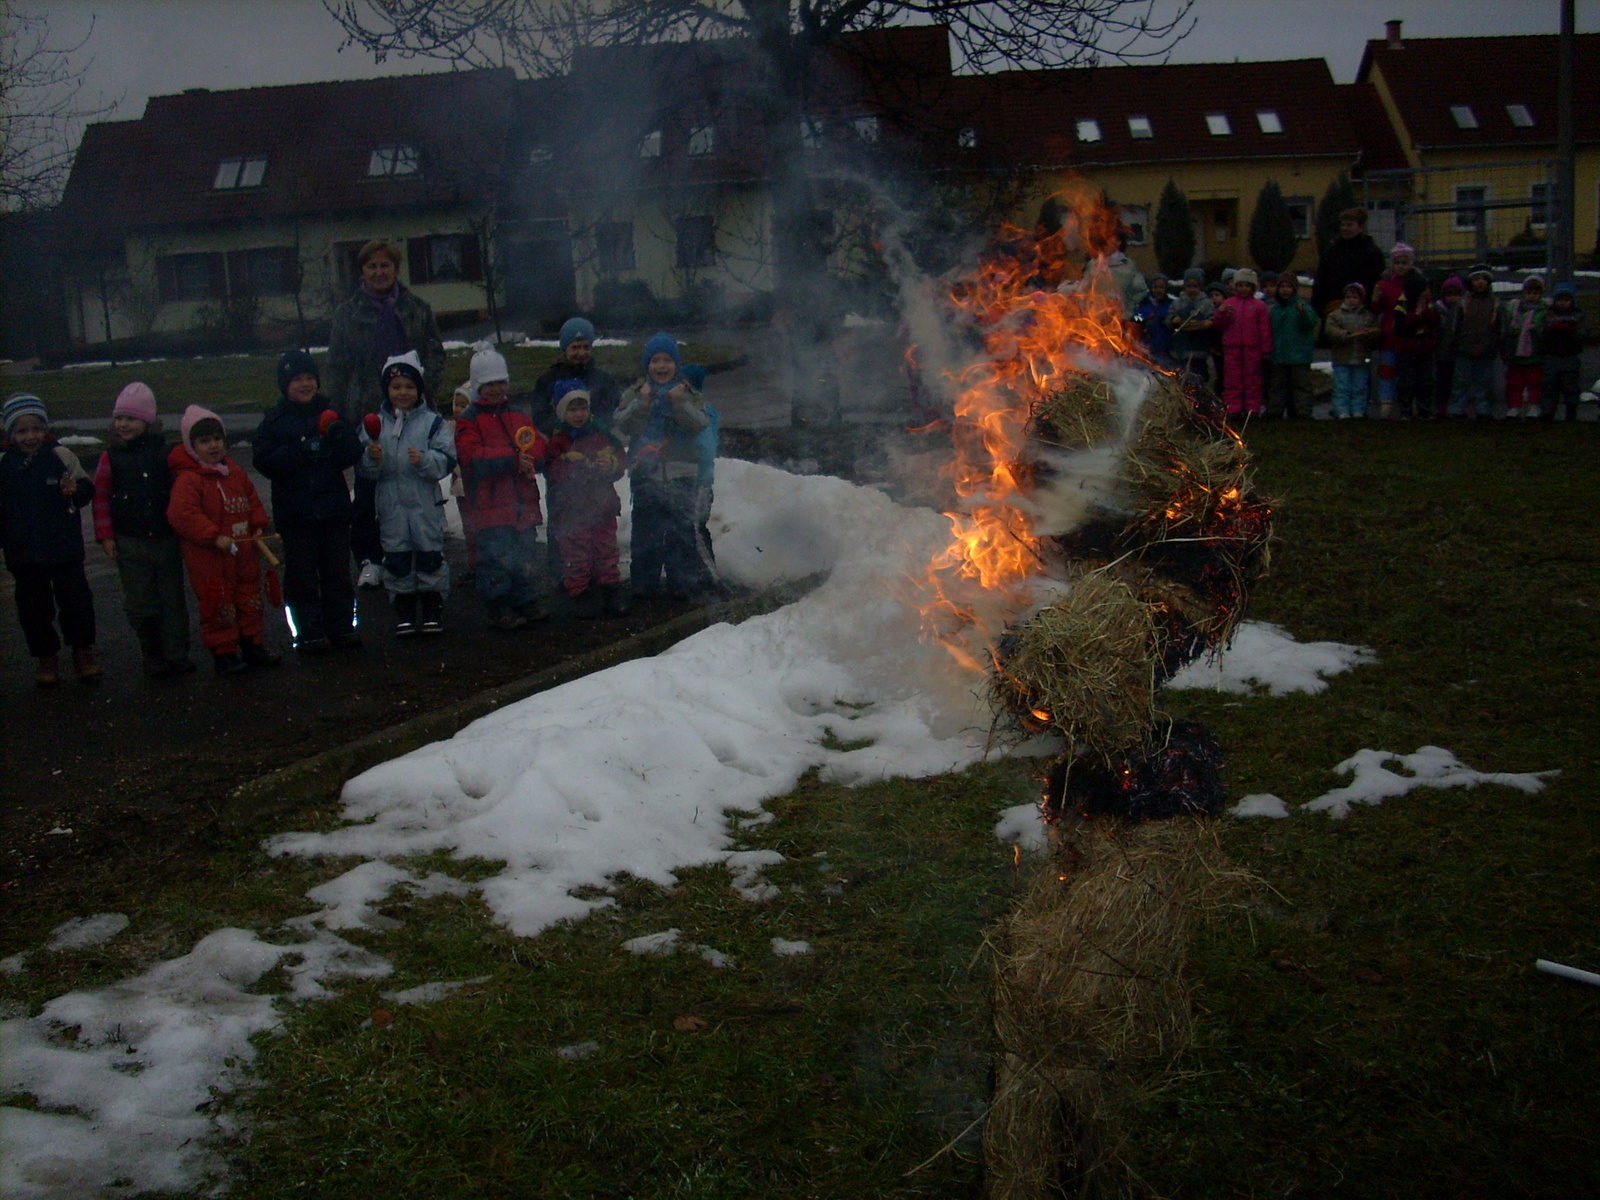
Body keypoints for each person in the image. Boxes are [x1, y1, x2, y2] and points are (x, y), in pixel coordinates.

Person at [322, 239, 445, 590]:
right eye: (372, 266)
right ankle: (369, 558)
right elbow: (337, 365)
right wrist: (340, 413)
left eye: (385, 266)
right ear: (363, 272)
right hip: (366, 412)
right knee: (368, 489)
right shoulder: (348, 314)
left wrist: (422, 388)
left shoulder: (417, 309)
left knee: (411, 483)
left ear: (395, 269)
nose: (379, 272)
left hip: (411, 411)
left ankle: (418, 551)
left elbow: (435, 353)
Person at [252, 350, 363, 655]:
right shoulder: (274, 422)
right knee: (301, 576)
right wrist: (298, 452)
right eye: (297, 379)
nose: (305, 384)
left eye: (310, 378)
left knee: (337, 573)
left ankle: (342, 627)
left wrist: (334, 441)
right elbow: (263, 460)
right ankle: (307, 632)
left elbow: (352, 453)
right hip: (296, 514)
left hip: (333, 511)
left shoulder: (331, 414)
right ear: (285, 385)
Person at [166, 405, 279, 675]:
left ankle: (252, 643)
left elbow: (251, 499)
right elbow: (182, 514)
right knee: (218, 602)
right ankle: (223, 652)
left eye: (217, 439)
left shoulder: (234, 472)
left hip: (243, 550)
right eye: (205, 441)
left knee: (249, 596)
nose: (213, 446)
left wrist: (258, 523)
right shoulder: (189, 479)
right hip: (211, 557)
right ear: (191, 445)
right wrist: (212, 536)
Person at [91, 382, 192, 676]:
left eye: (131, 418)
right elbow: (100, 498)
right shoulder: (110, 458)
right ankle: (152, 654)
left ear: (147, 421)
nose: (123, 424)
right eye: (119, 418)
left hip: (165, 539)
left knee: (172, 600)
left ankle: (177, 654)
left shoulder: (166, 455)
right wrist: (105, 536)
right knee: (140, 602)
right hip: (129, 542)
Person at [1, 392, 98, 685]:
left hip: (64, 549)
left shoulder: (62, 456)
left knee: (77, 604)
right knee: (33, 611)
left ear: (45, 429)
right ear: (10, 433)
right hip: (24, 554)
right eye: (22, 430)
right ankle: (46, 657)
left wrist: (74, 491)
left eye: (36, 429)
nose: (30, 436)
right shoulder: (4, 464)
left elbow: (86, 490)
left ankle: (83, 652)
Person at [357, 352, 456, 636]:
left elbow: (447, 459)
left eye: (409, 387)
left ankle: (433, 608)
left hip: (424, 503)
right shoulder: (374, 424)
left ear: (419, 390)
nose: (403, 392)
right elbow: (364, 469)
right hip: (391, 505)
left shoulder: (432, 422)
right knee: (397, 557)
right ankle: (403, 609)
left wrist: (424, 460)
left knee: (429, 555)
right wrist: (372, 459)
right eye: (396, 386)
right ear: (386, 390)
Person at [615, 332, 714, 599]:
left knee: (679, 532)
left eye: (667, 360)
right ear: (647, 364)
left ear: (676, 364)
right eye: (655, 360)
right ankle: (644, 584)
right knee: (646, 531)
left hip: (681, 473)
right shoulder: (636, 392)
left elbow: (699, 424)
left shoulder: (686, 392)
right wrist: (643, 402)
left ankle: (682, 582)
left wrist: (679, 403)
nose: (661, 366)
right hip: (646, 474)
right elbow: (623, 423)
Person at [456, 346, 548, 630]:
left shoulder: (519, 415)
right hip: (490, 508)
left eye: (500, 382)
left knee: (524, 554)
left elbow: (537, 444)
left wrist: (533, 457)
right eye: (489, 384)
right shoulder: (469, 420)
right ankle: (498, 604)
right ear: (478, 386)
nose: (496, 389)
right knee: (494, 557)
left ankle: (524, 598)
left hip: (522, 505)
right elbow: (470, 456)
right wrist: (511, 460)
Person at [543, 380, 628, 618]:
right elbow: (551, 470)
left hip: (602, 506)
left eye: (582, 408)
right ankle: (580, 593)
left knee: (606, 550)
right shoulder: (558, 441)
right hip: (572, 510)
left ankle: (610, 590)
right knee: (576, 553)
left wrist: (610, 464)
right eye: (572, 409)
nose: (578, 414)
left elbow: (620, 458)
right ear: (562, 412)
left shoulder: (601, 434)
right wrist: (572, 465)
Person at [1370, 242, 1437, 420]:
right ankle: (1386, 404)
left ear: (1411, 263)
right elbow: (1376, 310)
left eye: (1405, 262)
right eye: (1397, 262)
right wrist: (1375, 300)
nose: (1401, 266)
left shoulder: (1420, 284)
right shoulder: (1384, 284)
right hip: (1390, 335)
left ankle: (1414, 406)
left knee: (1414, 374)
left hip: (1414, 337)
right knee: (1387, 370)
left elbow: (1428, 309)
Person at [530, 317, 623, 433]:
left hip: (596, 440)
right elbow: (540, 418)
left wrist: (590, 428)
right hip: (560, 442)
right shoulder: (548, 381)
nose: (581, 353)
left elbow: (612, 413)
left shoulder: (605, 380)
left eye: (586, 347)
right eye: (575, 347)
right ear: (565, 349)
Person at [1212, 269, 1272, 417]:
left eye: (1247, 285)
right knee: (1233, 379)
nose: (1243, 289)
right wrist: (1221, 313)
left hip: (1252, 348)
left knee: (1253, 380)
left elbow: (1264, 329)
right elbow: (1220, 324)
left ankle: (1252, 408)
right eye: (1240, 285)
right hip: (1232, 348)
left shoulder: (1259, 306)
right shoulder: (1229, 304)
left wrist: (1266, 349)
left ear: (1253, 287)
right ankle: (1234, 407)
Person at [1311, 205, 1387, 316]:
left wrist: (1370, 306)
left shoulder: (1372, 252)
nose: (1345, 228)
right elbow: (1321, 278)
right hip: (1333, 308)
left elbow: (1378, 283)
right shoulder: (1332, 251)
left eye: (1350, 225)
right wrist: (1319, 304)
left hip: (1362, 311)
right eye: (1343, 224)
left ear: (1361, 227)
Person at [1449, 266, 1502, 419]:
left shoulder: (1495, 303)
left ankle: (1483, 409)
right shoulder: (1463, 303)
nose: (1480, 283)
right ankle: (1456, 409)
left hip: (1487, 349)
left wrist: (1499, 346)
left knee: (1484, 383)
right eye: (1476, 279)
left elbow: (1501, 327)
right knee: (1460, 382)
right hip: (1464, 349)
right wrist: (1453, 344)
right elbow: (1454, 326)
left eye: (1484, 279)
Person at [1323, 282, 1379, 419]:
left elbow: (1376, 332)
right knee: (1342, 387)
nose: (1351, 300)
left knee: (1360, 387)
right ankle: (1341, 410)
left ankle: (1358, 410)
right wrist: (1344, 335)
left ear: (1361, 299)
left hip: (1361, 358)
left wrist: (1369, 335)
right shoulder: (1335, 315)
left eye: (1355, 297)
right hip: (1342, 358)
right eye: (1348, 297)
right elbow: (1330, 331)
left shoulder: (1368, 316)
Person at [1266, 273, 1319, 419]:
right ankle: (1275, 411)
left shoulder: (1302, 306)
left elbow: (1310, 324)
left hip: (1299, 355)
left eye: (1288, 287)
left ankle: (1303, 412)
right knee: (1277, 386)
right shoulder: (1275, 310)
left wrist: (1302, 315)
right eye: (1282, 286)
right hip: (1279, 355)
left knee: (1301, 386)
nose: (1285, 290)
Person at [1540, 282, 1588, 422]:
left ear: (1572, 301)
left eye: (1566, 300)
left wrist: (1572, 330)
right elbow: (1540, 333)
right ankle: (1548, 413)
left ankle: (1571, 412)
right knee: (1549, 386)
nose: (1563, 303)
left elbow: (1583, 334)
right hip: (1551, 356)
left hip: (1570, 357)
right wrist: (1550, 330)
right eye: (1560, 300)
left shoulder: (1578, 316)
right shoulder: (1548, 315)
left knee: (1571, 387)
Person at [1501, 276, 1548, 418]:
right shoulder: (1513, 311)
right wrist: (1512, 332)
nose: (1532, 296)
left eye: (1536, 293)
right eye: (1529, 292)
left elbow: (1546, 333)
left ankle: (1534, 405)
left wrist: (1537, 329)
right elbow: (1505, 329)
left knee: (1535, 382)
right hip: (1516, 355)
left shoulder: (1544, 312)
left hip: (1535, 355)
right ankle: (1514, 406)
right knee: (1514, 383)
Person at [1166, 268, 1215, 386]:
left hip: (1199, 349)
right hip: (1180, 349)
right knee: (1181, 379)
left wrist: (1209, 322)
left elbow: (1213, 318)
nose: (1191, 289)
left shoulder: (1206, 303)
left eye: (1195, 286)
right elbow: (1168, 319)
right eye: (1188, 286)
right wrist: (1173, 320)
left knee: (1199, 377)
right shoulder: (1177, 303)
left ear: (1200, 287)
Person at [1431, 276, 1466, 420]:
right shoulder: (1437, 310)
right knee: (1442, 381)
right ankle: (1441, 407)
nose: (1453, 298)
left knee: (1458, 381)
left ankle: (1457, 407)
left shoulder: (1463, 310)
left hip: (1458, 351)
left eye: (1456, 295)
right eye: (1449, 294)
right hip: (1441, 351)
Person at [1132, 274, 1174, 367]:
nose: (1158, 290)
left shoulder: (1170, 305)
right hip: (1147, 344)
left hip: (1164, 345)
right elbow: (1136, 318)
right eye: (1155, 287)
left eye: (1161, 287)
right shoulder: (1144, 303)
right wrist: (1144, 320)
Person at [1206, 281, 1229, 393]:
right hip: (1215, 350)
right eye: (1211, 296)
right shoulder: (1208, 313)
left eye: (1217, 295)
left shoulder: (1227, 313)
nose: (1214, 298)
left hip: (1227, 349)